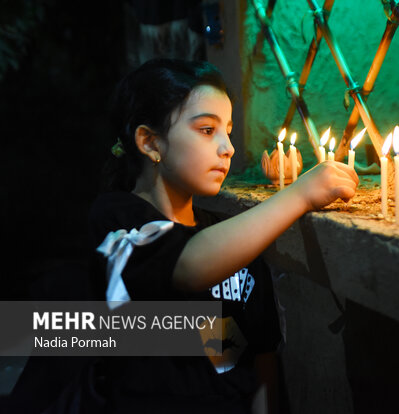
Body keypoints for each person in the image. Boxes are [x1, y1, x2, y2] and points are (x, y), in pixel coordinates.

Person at [50, 58, 358, 413]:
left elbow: (261, 356)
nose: (227, 147)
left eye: (228, 130)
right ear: (150, 142)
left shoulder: (230, 239)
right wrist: (300, 195)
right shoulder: (118, 223)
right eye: (207, 130)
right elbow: (188, 266)